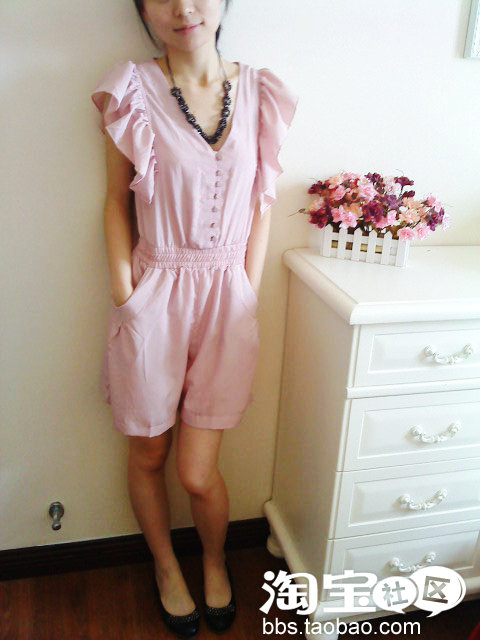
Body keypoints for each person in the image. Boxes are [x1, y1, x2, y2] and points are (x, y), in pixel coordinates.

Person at [91, 0, 298, 636]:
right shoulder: (132, 89)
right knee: (149, 451)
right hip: (155, 290)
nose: (183, 7)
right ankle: (165, 568)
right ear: (142, 9)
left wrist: (248, 292)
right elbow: (115, 202)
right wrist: (126, 294)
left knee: (197, 471)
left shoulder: (261, 92)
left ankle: (212, 559)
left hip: (227, 299)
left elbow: (263, 203)